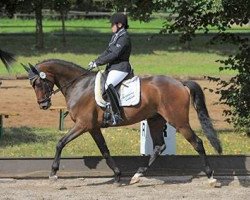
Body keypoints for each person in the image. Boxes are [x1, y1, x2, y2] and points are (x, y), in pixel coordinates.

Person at [88, 13, 133, 125]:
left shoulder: (124, 37)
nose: (111, 26)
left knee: (109, 85)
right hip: (113, 67)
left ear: (120, 24)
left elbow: (114, 54)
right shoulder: (116, 36)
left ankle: (117, 114)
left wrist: (99, 62)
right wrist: (96, 61)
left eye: (113, 24)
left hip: (121, 68)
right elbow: (108, 51)